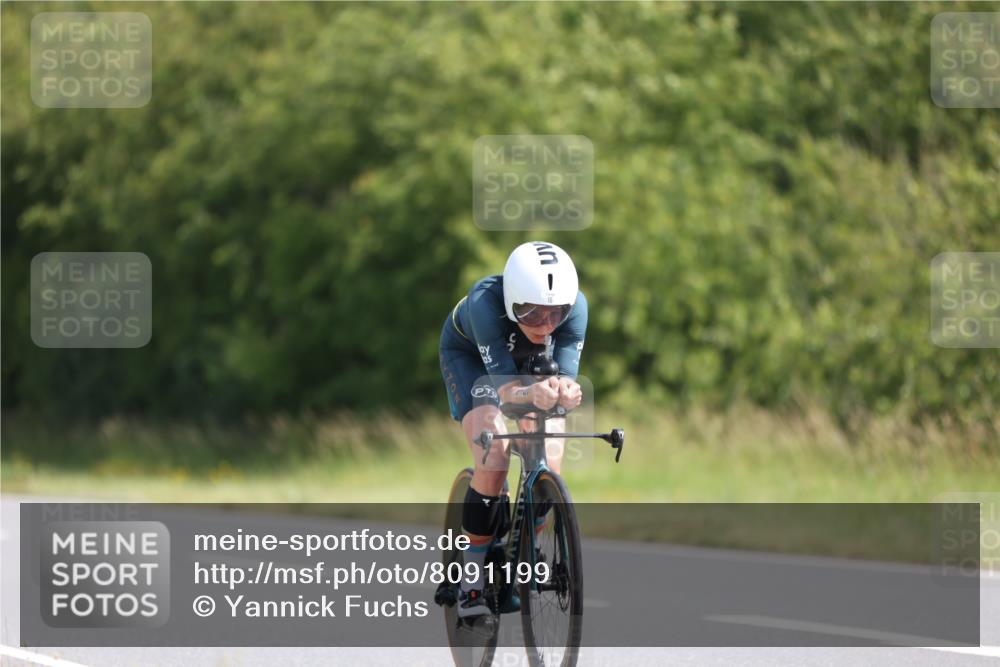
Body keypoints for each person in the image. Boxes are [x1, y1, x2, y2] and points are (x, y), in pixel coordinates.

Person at [438, 241, 587, 618]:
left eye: (556, 314)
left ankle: (528, 544)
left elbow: (563, 379)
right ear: (511, 301)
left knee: (550, 456)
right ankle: (471, 576)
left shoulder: (576, 308)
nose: (545, 324)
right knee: (495, 455)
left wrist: (566, 391)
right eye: (531, 313)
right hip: (472, 358)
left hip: (528, 363)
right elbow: (505, 392)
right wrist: (530, 394)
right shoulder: (484, 304)